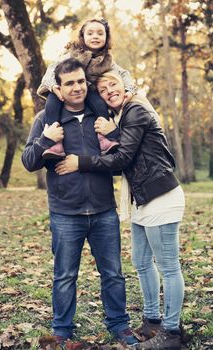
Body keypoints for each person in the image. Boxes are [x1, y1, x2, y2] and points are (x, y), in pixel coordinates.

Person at [56, 71, 185, 350]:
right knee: (140, 262)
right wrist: (112, 131)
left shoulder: (136, 109)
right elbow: (128, 150)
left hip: (160, 194)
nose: (108, 90)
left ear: (124, 86)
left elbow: (123, 157)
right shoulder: (121, 116)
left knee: (168, 267)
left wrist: (82, 162)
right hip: (142, 198)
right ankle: (152, 321)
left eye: (112, 84)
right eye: (102, 89)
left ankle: (172, 332)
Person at [21, 59, 139, 347]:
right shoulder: (45, 120)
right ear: (58, 89)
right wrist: (44, 141)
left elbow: (120, 162)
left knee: (112, 273)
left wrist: (95, 151)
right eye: (69, 83)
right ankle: (62, 331)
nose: (77, 87)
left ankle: (119, 324)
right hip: (65, 213)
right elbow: (28, 162)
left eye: (80, 81)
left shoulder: (101, 117)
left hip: (103, 211)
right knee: (64, 276)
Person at [37, 18, 136, 160]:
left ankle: (103, 138)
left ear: (106, 38)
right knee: (51, 104)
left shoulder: (107, 59)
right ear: (82, 37)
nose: (95, 36)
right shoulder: (72, 54)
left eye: (100, 33)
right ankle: (55, 143)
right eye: (90, 33)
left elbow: (124, 74)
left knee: (100, 104)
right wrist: (53, 86)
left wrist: (129, 90)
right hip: (62, 89)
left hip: (88, 90)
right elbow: (51, 70)